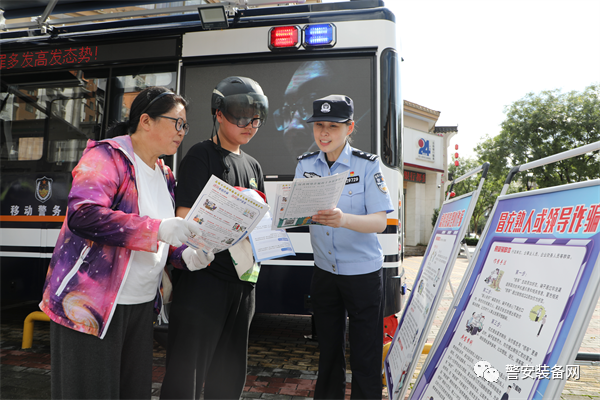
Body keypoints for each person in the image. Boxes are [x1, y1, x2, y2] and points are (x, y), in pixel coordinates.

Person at [40, 87, 211, 400]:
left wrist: (184, 255)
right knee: (90, 391)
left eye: (185, 126)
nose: (182, 132)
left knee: (132, 391)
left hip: (141, 304)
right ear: (145, 121)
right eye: (177, 123)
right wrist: (159, 230)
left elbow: (160, 235)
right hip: (91, 305)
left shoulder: (164, 173)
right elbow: (85, 215)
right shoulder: (107, 157)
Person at [160, 76, 268, 400]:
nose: (251, 123)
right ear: (218, 114)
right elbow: (183, 218)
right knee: (186, 376)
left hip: (243, 285)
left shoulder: (254, 165)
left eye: (257, 114)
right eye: (241, 114)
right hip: (202, 284)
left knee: (229, 375)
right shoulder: (200, 156)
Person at [295, 95, 394, 400]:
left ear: (349, 127)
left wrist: (343, 219)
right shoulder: (306, 165)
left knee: (365, 354)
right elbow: (296, 211)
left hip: (363, 274)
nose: (324, 133)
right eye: (319, 126)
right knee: (328, 352)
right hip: (324, 271)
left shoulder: (367, 165)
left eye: (333, 127)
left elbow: (379, 222)